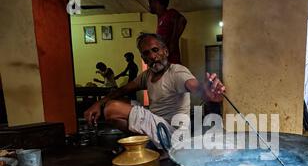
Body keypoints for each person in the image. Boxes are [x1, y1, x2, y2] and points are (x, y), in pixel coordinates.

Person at [83, 33, 224, 149]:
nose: (152, 56)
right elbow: (123, 89)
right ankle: (151, 145)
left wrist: (206, 92)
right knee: (120, 101)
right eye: (146, 53)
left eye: (155, 50)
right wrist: (98, 104)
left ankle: (161, 148)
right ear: (143, 58)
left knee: (112, 108)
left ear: (165, 51)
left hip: (173, 135)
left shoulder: (177, 72)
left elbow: (195, 86)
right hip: (157, 126)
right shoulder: (147, 75)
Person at [147, 0, 187, 64]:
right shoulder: (160, 18)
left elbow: (182, 20)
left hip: (172, 65)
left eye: (149, 1)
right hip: (164, 65)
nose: (148, 5)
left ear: (154, 0)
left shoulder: (170, 13)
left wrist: (173, 41)